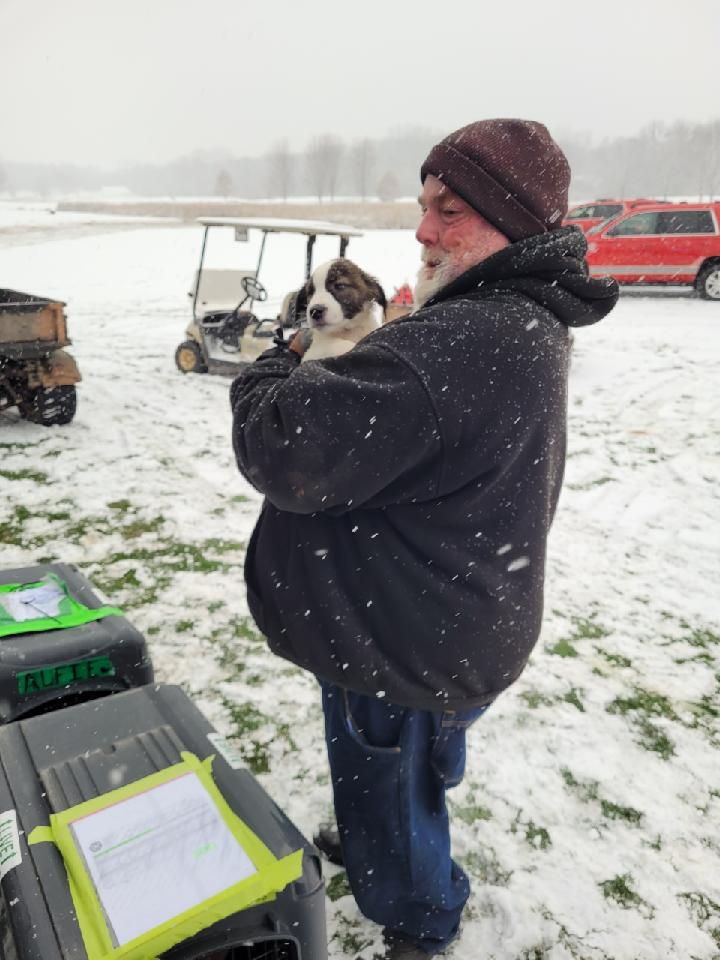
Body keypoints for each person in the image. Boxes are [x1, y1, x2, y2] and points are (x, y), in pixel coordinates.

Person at [229, 119, 619, 959]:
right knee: (401, 765)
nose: (422, 229)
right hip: (444, 610)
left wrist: (279, 358)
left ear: (512, 221)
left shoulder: (456, 344)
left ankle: (418, 915)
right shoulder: (515, 315)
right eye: (422, 206)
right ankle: (387, 827)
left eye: (450, 209)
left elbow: (279, 443)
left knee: (391, 781)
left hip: (404, 642)